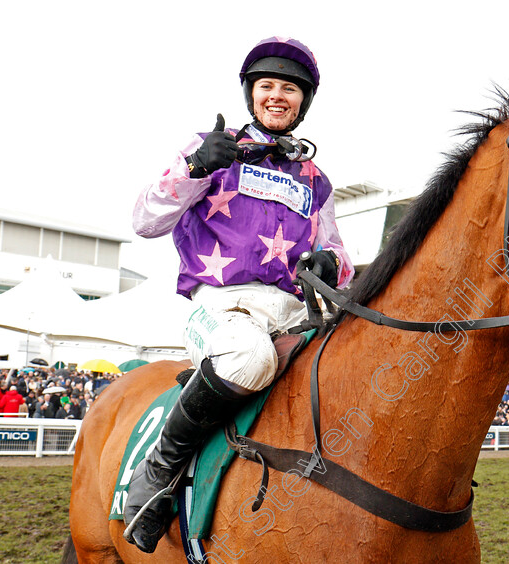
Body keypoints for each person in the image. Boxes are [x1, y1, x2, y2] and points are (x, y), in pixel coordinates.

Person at [124, 36, 354, 553]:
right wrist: (196, 169)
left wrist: (329, 263)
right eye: (267, 85)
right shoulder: (208, 147)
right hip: (222, 308)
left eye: (290, 89)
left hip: (295, 314)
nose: (278, 95)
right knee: (250, 360)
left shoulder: (316, 179)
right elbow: (143, 220)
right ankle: (158, 473)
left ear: (304, 102)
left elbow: (341, 258)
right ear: (250, 94)